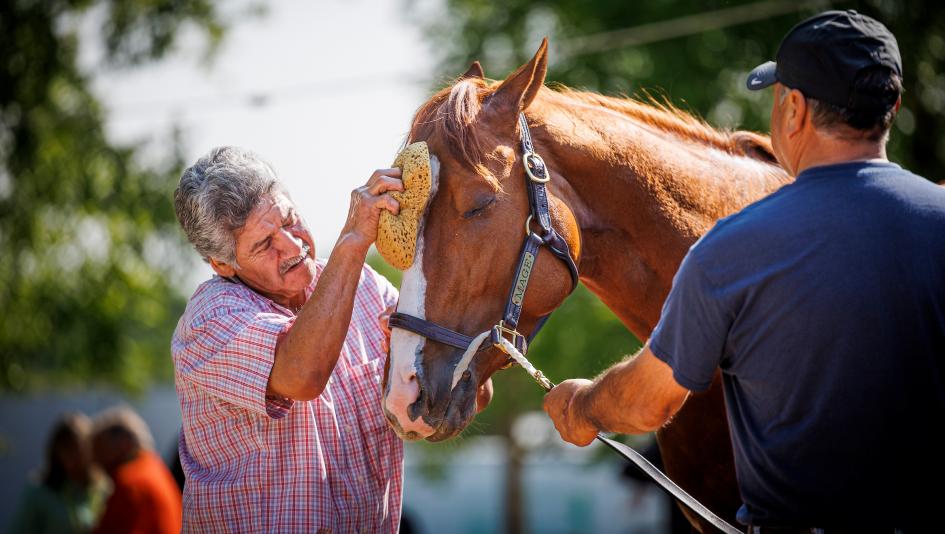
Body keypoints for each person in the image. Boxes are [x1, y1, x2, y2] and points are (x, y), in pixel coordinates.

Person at [542, 10, 945, 533]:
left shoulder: (732, 249)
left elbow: (647, 402)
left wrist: (582, 407)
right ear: (892, 106)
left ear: (794, 109)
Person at [171, 147, 493, 532]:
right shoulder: (210, 318)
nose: (292, 246)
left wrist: (440, 353)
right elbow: (302, 376)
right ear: (224, 264)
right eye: (264, 245)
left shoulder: (365, 286)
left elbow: (473, 395)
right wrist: (355, 238)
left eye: (290, 221)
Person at [7, 412, 109, 534]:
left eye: (77, 448)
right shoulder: (40, 491)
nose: (71, 456)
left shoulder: (103, 489)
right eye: (65, 448)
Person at [91, 406, 182, 534]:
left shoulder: (130, 481)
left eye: (98, 448)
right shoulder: (156, 468)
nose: (95, 459)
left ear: (123, 443)